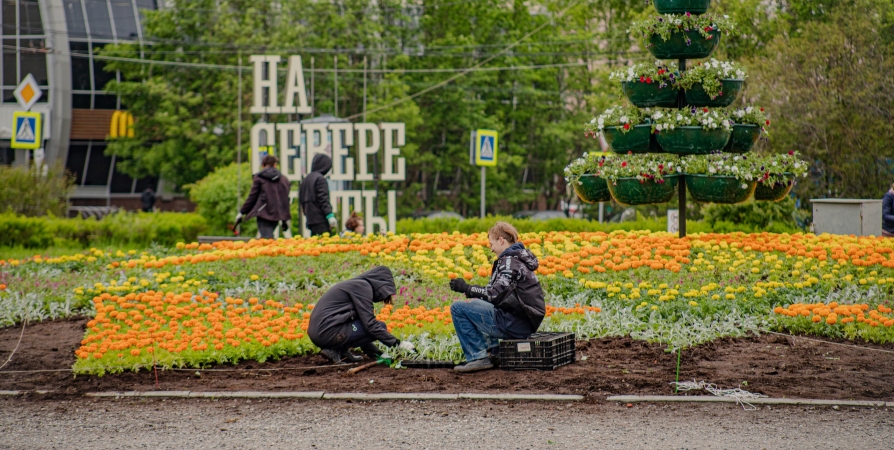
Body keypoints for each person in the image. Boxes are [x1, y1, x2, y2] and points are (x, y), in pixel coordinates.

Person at [447, 221, 545, 373]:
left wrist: (466, 288)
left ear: (501, 240)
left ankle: (477, 357)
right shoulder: (518, 258)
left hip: (515, 324)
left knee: (458, 308)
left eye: (491, 243)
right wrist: (471, 290)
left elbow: (494, 294)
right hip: (524, 322)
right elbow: (497, 294)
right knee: (477, 303)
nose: (491, 248)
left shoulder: (509, 261)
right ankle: (494, 352)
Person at [308, 266, 415, 364]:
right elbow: (370, 325)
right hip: (328, 331)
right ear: (380, 284)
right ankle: (335, 349)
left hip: (320, 333)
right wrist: (399, 344)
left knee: (363, 326)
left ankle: (339, 351)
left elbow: (363, 328)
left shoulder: (356, 285)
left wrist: (378, 354)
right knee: (381, 326)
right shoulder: (362, 287)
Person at [236, 154, 292, 239]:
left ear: (263, 165)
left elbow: (252, 196)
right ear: (275, 164)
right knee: (269, 237)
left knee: (266, 239)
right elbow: (285, 199)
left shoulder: (259, 177)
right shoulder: (284, 179)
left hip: (263, 212)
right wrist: (285, 219)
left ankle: (268, 251)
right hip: (278, 214)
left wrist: (242, 212)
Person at [299, 154, 338, 236]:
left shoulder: (306, 179)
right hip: (320, 218)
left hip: (310, 218)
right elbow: (323, 198)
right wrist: (329, 215)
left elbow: (301, 199)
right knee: (325, 243)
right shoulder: (320, 179)